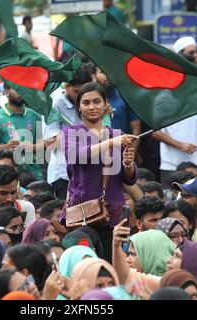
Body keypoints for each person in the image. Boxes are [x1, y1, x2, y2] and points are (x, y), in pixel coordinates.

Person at [61, 82, 138, 262]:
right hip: (83, 213)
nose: (92, 107)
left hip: (113, 213)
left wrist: (128, 164)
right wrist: (111, 142)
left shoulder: (118, 134)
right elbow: (77, 156)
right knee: (84, 266)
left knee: (112, 266)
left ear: (105, 105)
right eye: (86, 103)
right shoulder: (71, 132)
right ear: (79, 107)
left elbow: (129, 179)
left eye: (97, 101)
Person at [44, 64, 92, 200]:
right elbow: (50, 143)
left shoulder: (90, 104)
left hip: (87, 173)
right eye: (76, 91)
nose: (80, 96)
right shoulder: (55, 107)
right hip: (64, 174)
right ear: (66, 86)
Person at [0, 84, 43, 180]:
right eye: (18, 89)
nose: (22, 93)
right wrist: (6, 147)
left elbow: (45, 143)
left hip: (34, 172)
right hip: (7, 174)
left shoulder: (34, 115)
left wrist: (31, 147)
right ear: (6, 92)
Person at [153, 109, 197, 188]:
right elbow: (156, 133)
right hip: (171, 165)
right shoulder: (162, 100)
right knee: (171, 198)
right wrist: (180, 145)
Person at [112, 224, 174, 299]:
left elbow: (125, 276)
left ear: (151, 255)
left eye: (133, 254)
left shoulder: (166, 285)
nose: (127, 260)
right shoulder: (143, 286)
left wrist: (116, 245)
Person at [91, 66, 141, 137]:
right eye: (102, 72)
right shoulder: (88, 100)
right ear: (94, 76)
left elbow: (136, 130)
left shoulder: (125, 95)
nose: (107, 75)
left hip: (125, 146)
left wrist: (133, 147)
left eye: (110, 71)